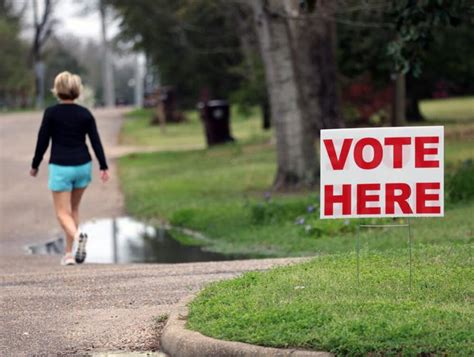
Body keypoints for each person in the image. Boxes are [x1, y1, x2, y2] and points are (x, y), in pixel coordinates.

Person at [30, 71, 109, 266]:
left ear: (57, 90)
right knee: (73, 209)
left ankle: (78, 236)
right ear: (76, 90)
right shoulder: (85, 113)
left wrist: (35, 164)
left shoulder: (51, 113)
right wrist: (103, 166)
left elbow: (43, 141)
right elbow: (96, 142)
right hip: (83, 166)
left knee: (61, 212)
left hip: (61, 167)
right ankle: (68, 253)